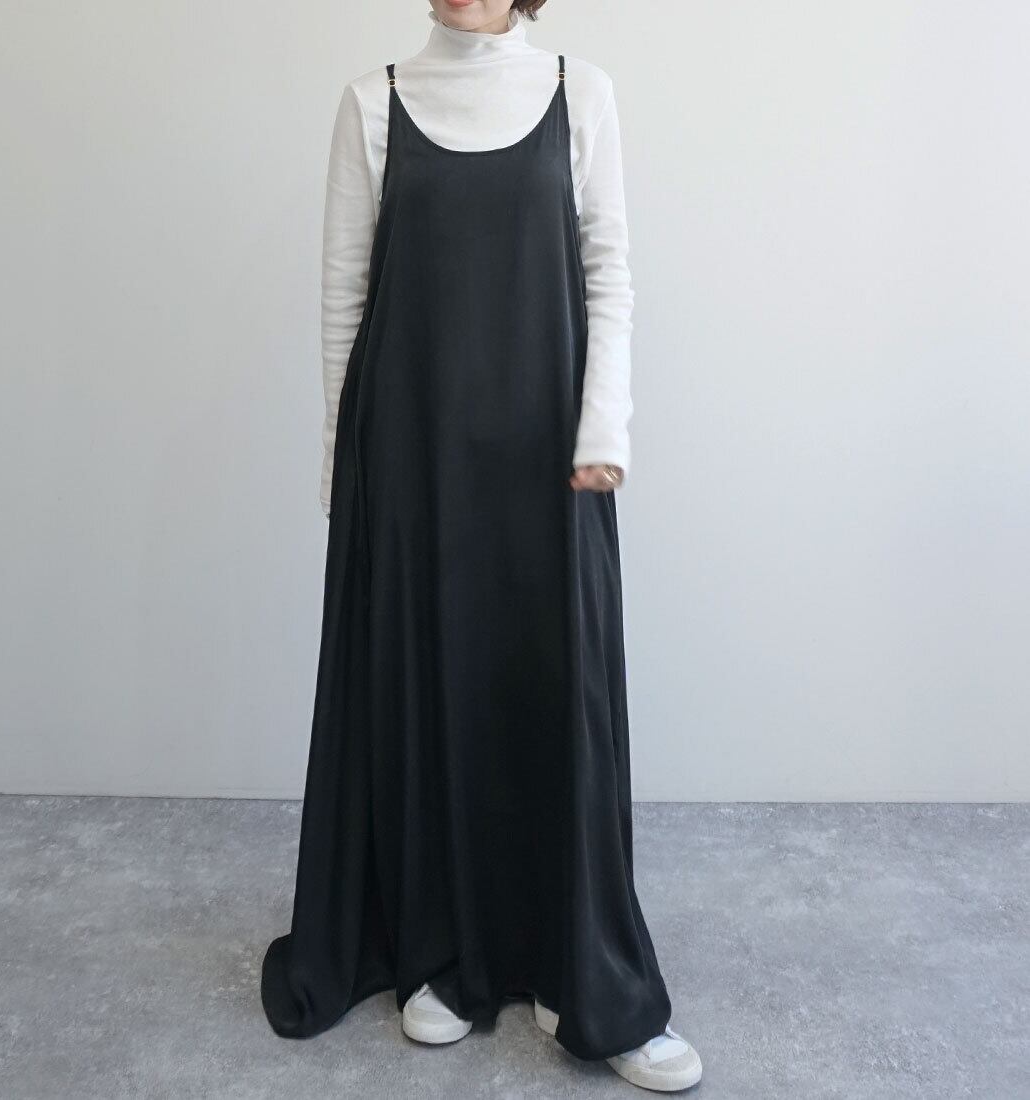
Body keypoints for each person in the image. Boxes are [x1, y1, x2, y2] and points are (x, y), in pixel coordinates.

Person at [261, 1, 702, 1091]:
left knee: (555, 699)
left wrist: (604, 430)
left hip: (551, 457)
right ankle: (443, 952)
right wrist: (344, 469)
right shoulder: (373, 104)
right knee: (433, 691)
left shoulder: (578, 92)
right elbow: (343, 301)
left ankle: (573, 966)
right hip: (411, 456)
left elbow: (610, 273)